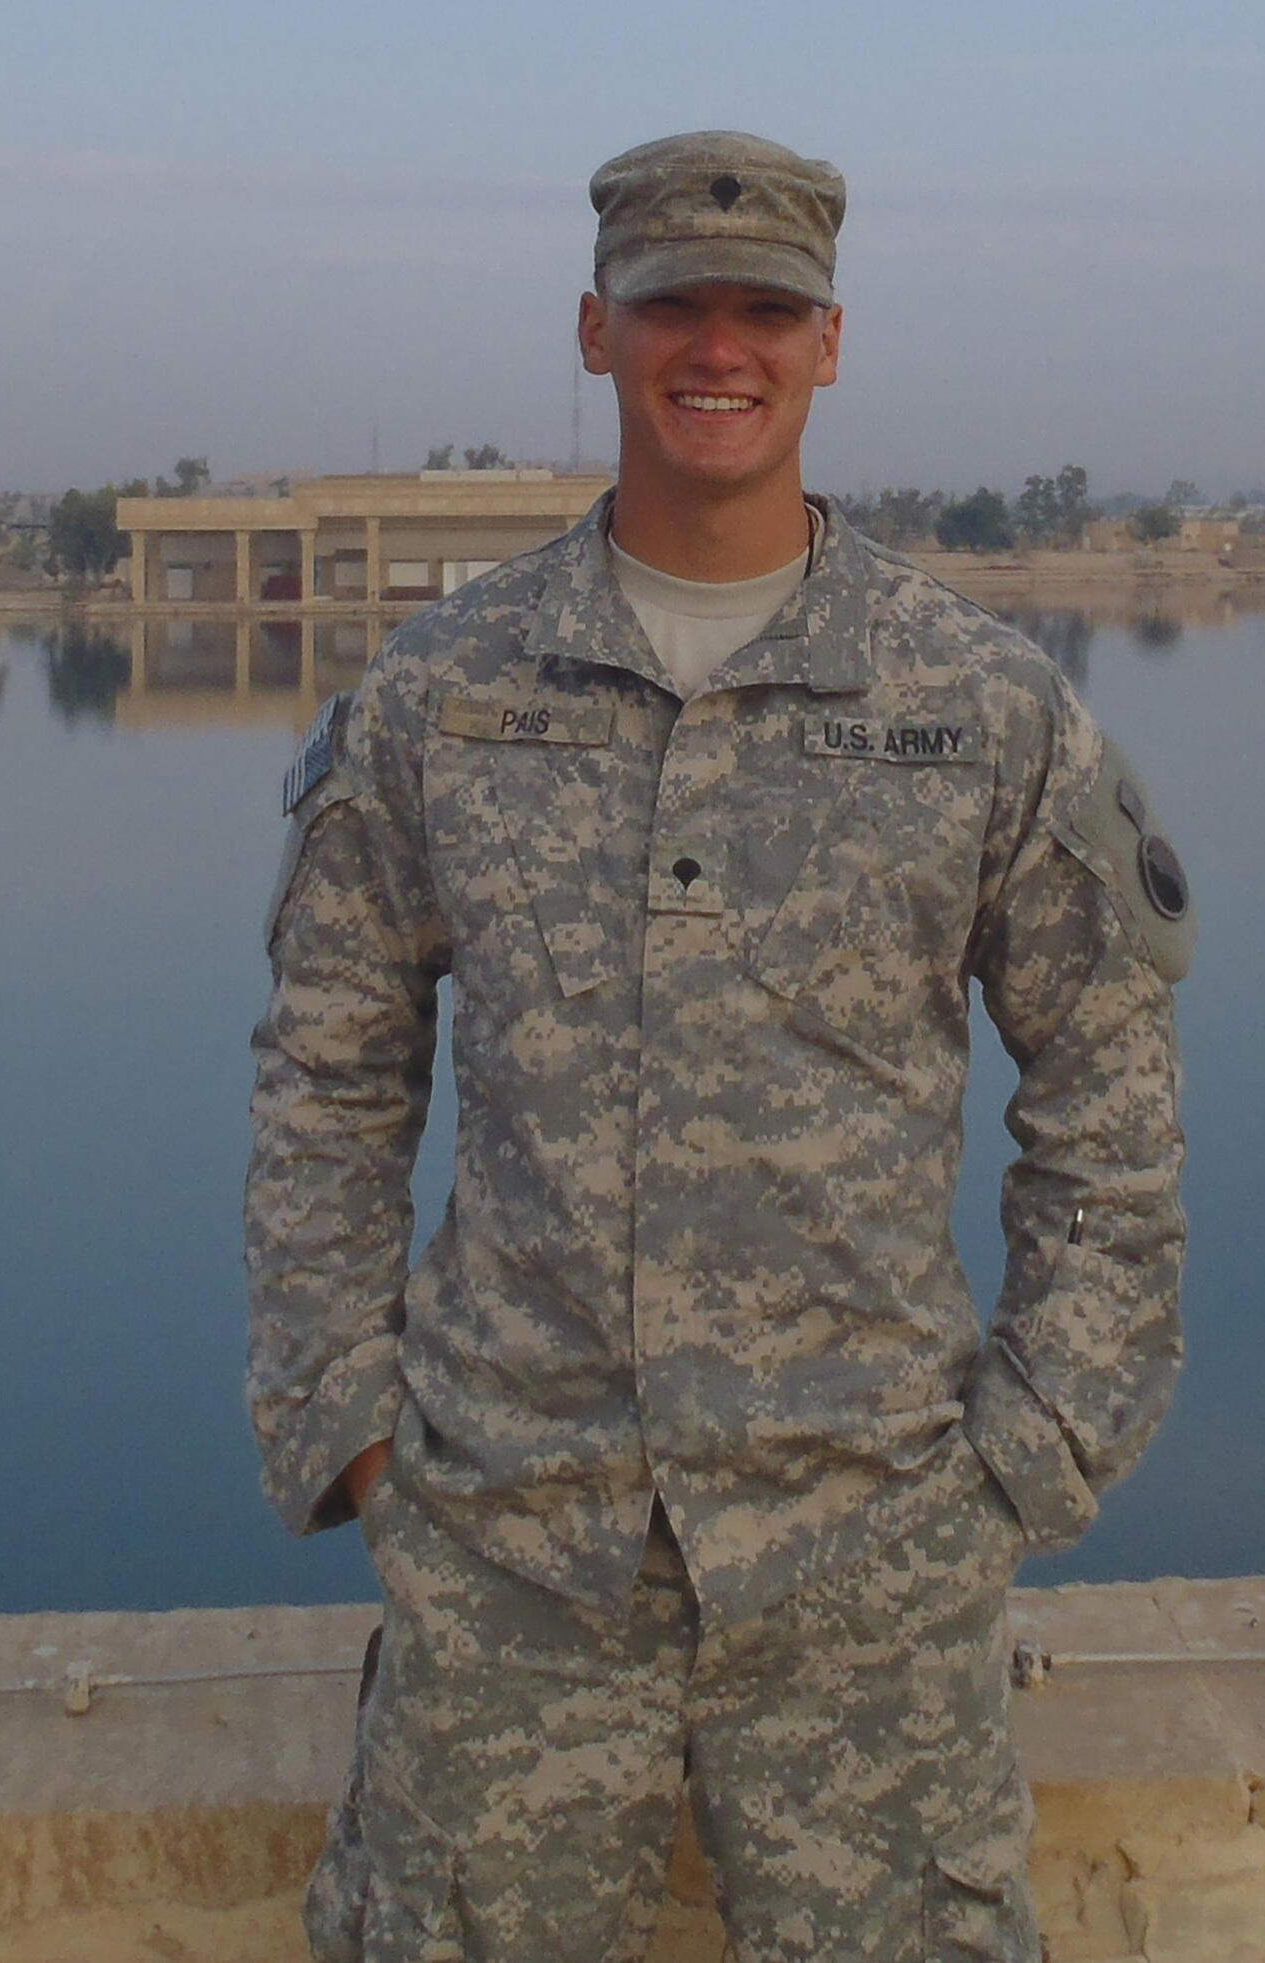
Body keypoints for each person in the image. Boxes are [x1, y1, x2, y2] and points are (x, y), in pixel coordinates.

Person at [247, 129, 1193, 1963]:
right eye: (677, 303)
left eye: (771, 310)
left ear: (831, 347)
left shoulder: (977, 705)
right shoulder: (447, 697)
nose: (721, 347)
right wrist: (354, 1430)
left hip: (868, 1556)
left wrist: (1031, 1452)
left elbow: (1109, 1103)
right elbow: (331, 1082)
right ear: (596, 331)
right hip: (512, 1551)